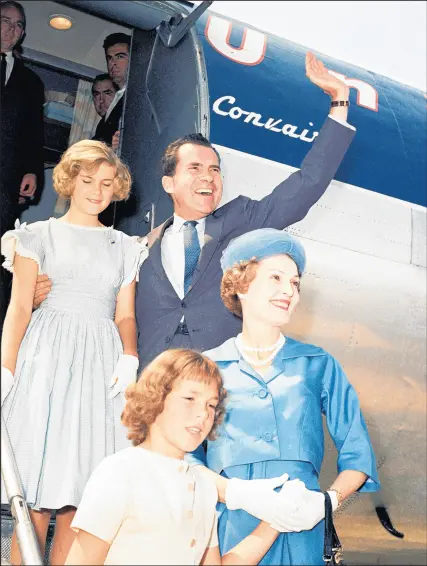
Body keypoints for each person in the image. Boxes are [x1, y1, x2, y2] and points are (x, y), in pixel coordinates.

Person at [34, 52, 355, 370]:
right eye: (195, 169)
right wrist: (41, 298)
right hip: (148, 385)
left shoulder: (240, 221)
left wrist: (339, 101)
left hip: (212, 386)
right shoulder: (137, 248)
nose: (207, 177)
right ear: (169, 183)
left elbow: (305, 186)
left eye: (214, 170)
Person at [186, 228, 380, 565]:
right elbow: (180, 458)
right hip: (231, 530)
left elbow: (358, 453)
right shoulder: (206, 367)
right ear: (241, 285)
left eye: (295, 283)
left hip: (302, 525)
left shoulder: (318, 364)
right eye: (276, 277)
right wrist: (235, 493)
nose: (288, 291)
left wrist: (326, 504)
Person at [0, 140, 148, 565]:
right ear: (69, 181)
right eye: (87, 181)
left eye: (106, 183)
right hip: (46, 364)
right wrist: (6, 368)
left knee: (80, 504)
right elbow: (19, 309)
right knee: (36, 500)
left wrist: (130, 356)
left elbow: (125, 315)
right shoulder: (35, 235)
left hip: (99, 368)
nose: (97, 191)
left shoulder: (124, 246)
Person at [65, 348, 303, 566]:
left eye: (211, 405)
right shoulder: (120, 472)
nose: (202, 414)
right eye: (190, 399)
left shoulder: (203, 487)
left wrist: (275, 520)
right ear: (156, 396)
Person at [0, 0, 45, 333]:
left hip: (5, 181)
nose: (11, 29)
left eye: (18, 25)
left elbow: (34, 132)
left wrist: (31, 170)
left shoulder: (30, 81)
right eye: (5, 21)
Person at [92, 33, 130, 147]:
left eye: (120, 57)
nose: (112, 63)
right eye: (109, 58)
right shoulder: (118, 97)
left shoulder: (134, 97)